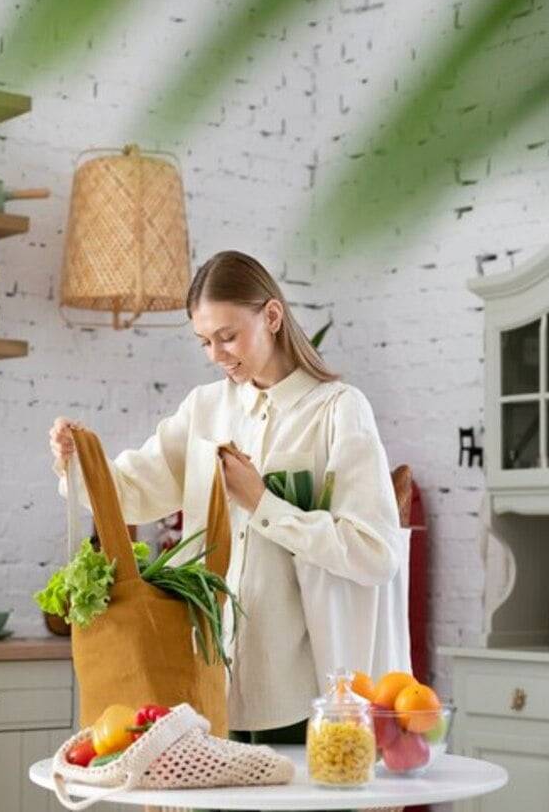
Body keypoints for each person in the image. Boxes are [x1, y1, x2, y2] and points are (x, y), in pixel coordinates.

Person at [49, 250, 411, 751]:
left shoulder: (336, 411)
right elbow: (133, 491)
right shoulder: (205, 408)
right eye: (204, 341)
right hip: (209, 686)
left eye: (227, 336)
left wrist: (263, 503)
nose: (216, 354)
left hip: (303, 697)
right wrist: (79, 462)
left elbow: (375, 551)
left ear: (272, 316)